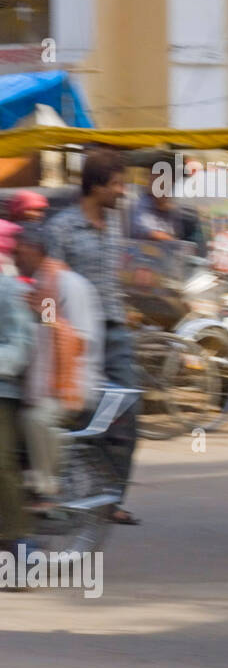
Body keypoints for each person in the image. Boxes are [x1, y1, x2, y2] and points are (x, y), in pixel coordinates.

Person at [44, 149, 140, 526]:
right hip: (77, 336)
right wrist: (52, 332)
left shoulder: (115, 225)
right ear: (96, 186)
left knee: (125, 414)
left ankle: (110, 499)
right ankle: (69, 495)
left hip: (115, 333)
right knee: (78, 415)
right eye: (117, 184)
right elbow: (49, 284)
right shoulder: (61, 229)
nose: (123, 192)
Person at [13, 226, 103, 506]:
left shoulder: (69, 285)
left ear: (36, 249)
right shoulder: (39, 283)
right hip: (44, 381)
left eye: (20, 252)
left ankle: (48, 485)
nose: (16, 258)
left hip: (73, 383)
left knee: (35, 419)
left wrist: (46, 317)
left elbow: (82, 340)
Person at [0, 257, 34, 560]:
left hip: (3, 390)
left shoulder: (8, 290)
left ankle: (19, 548)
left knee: (2, 464)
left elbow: (20, 345)